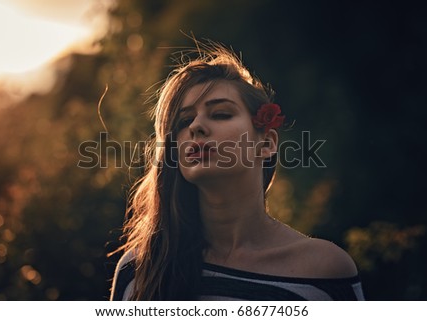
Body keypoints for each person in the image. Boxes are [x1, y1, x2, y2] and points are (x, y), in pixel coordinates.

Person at [110, 42, 365, 301]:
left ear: (266, 143)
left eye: (220, 114)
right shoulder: (140, 268)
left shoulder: (324, 271)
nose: (196, 126)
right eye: (185, 121)